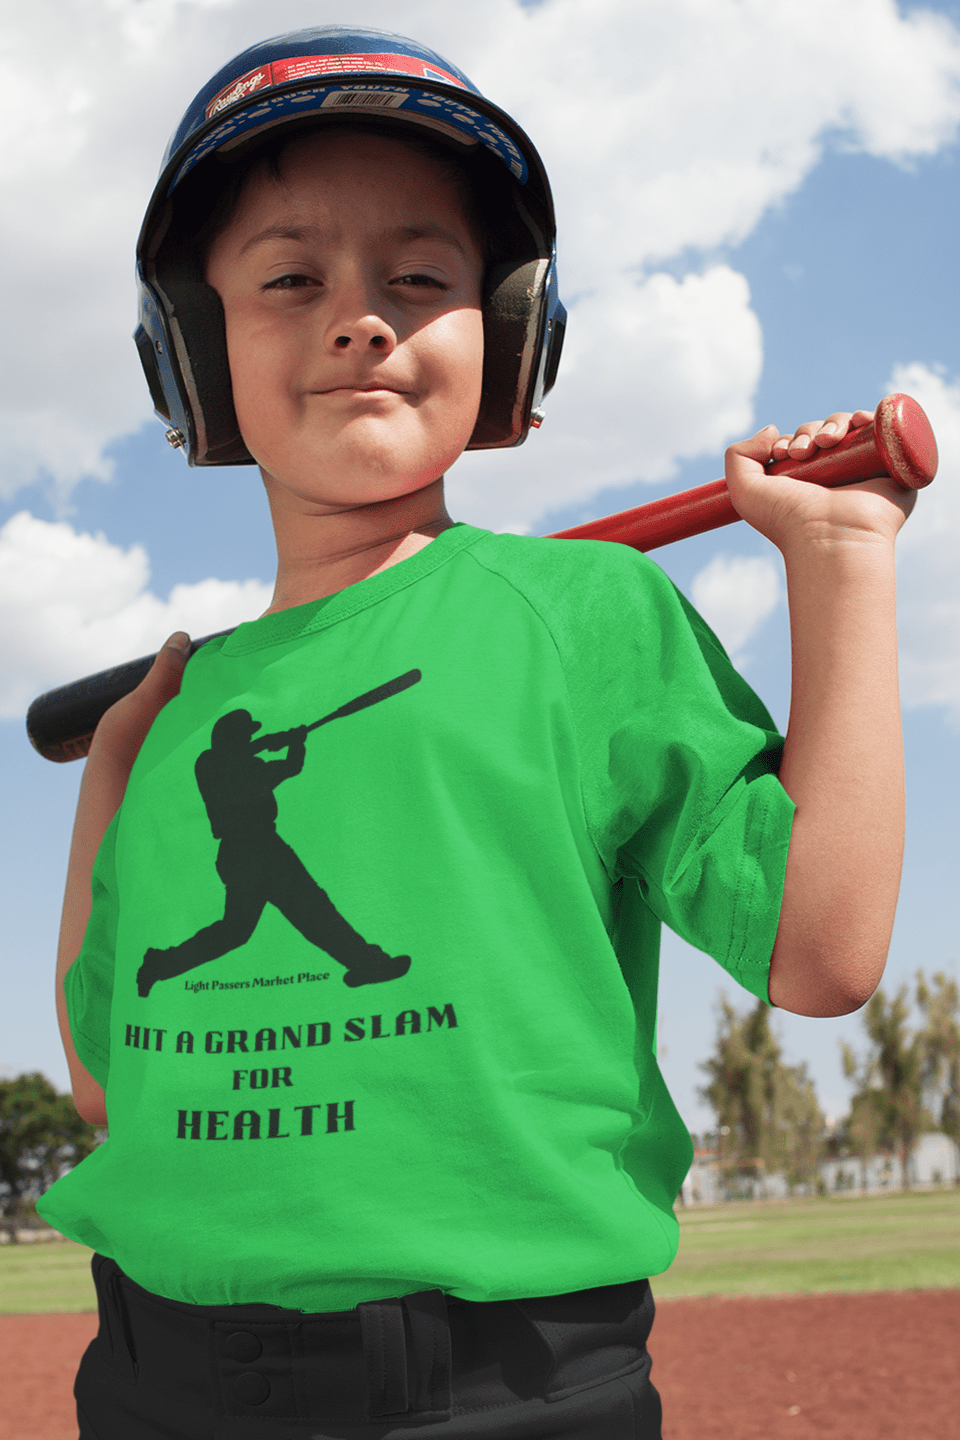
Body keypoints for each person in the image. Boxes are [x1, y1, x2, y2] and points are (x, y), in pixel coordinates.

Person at [37, 26, 914, 1440]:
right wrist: (113, 782)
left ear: (507, 332)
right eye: (288, 278)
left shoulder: (585, 616)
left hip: (499, 1394)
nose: (361, 317)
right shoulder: (183, 704)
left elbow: (818, 953)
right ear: (192, 349)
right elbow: (103, 1077)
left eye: (422, 277)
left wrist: (841, 560)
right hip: (153, 1382)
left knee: (299, 918)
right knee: (259, 927)